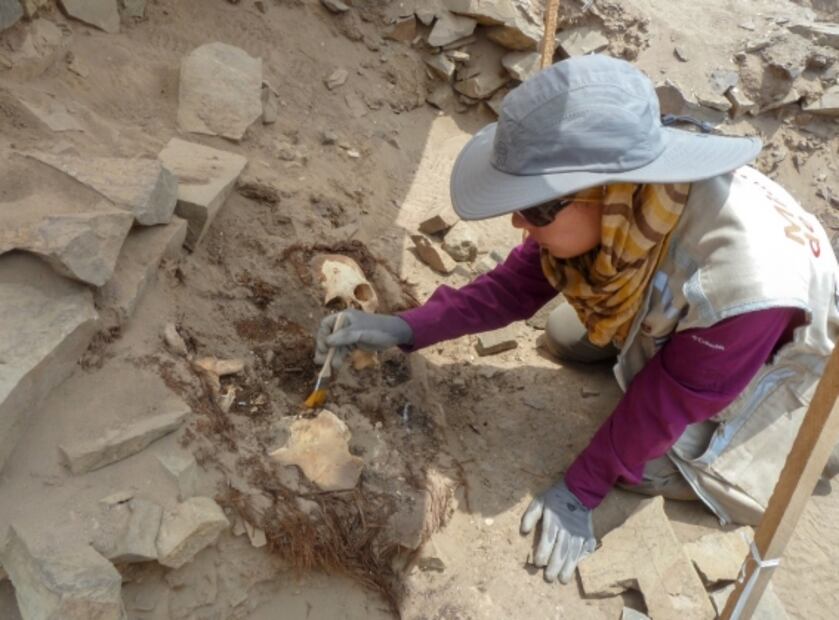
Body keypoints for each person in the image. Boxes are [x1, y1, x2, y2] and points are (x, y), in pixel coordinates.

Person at [313, 55, 839, 584]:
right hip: (695, 331)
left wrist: (581, 491)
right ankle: (651, 348)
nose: (517, 221)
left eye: (537, 209)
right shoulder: (633, 203)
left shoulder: (741, 288)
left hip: (770, 372)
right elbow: (517, 284)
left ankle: (816, 446)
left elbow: (664, 404)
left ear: (609, 194)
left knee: (642, 463)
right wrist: (406, 328)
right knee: (566, 334)